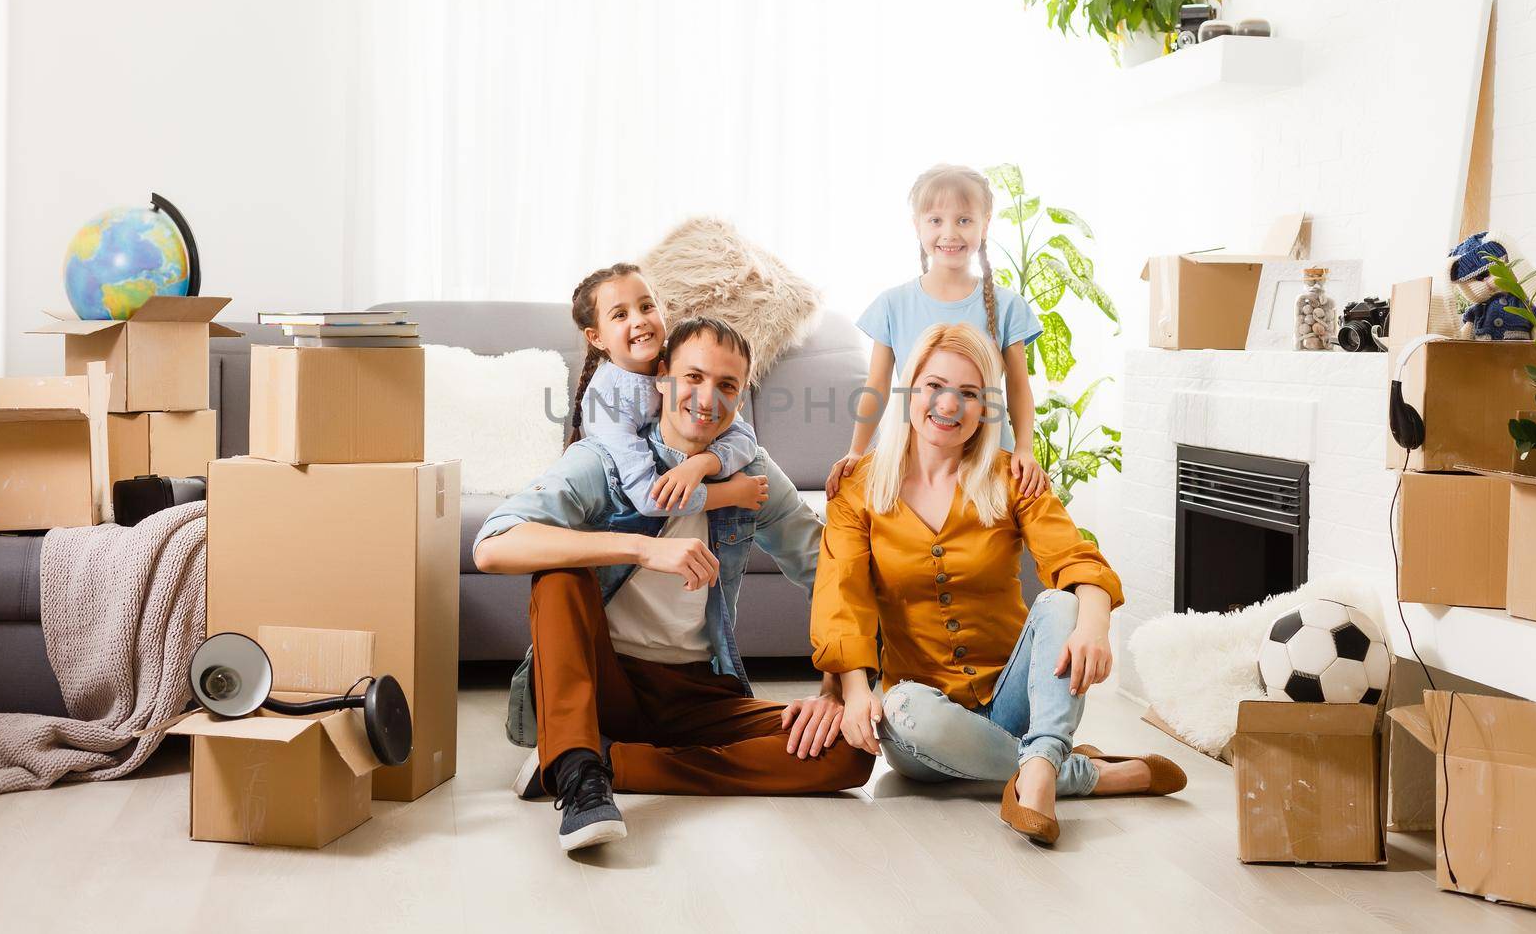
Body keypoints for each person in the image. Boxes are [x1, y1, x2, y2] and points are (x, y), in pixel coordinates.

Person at [473, 317, 874, 853]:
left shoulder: (750, 474)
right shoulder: (606, 462)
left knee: (849, 751)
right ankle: (576, 770)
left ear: (742, 394)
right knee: (560, 575)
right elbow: (493, 544)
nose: (707, 399)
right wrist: (643, 547)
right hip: (607, 683)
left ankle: (608, 762)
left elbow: (828, 573)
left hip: (700, 693)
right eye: (693, 377)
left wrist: (838, 689)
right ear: (661, 376)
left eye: (727, 385)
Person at [812, 323, 1185, 846]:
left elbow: (1075, 559)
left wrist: (1095, 628)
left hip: (1019, 699)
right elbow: (840, 596)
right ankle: (1072, 770)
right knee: (901, 710)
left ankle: (1039, 763)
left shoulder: (1013, 478)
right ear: (909, 391)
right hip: (926, 720)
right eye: (935, 386)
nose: (949, 404)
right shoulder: (857, 488)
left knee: (1060, 601)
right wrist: (854, 691)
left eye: (969, 393)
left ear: (987, 407)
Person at [826, 163, 1047, 500]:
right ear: (917, 226)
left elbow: (1018, 386)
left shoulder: (1008, 306)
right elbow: (877, 386)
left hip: (986, 465)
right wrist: (857, 450)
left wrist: (1024, 449)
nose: (950, 233)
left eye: (964, 220)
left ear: (985, 224)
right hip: (913, 466)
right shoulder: (892, 304)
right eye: (936, 220)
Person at [569, 261, 765, 515]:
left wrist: (704, 463)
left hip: (687, 481)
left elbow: (742, 435)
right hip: (626, 516)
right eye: (620, 314)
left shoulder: (683, 359)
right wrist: (733, 494)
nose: (639, 320)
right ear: (597, 337)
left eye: (646, 306)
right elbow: (648, 497)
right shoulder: (605, 400)